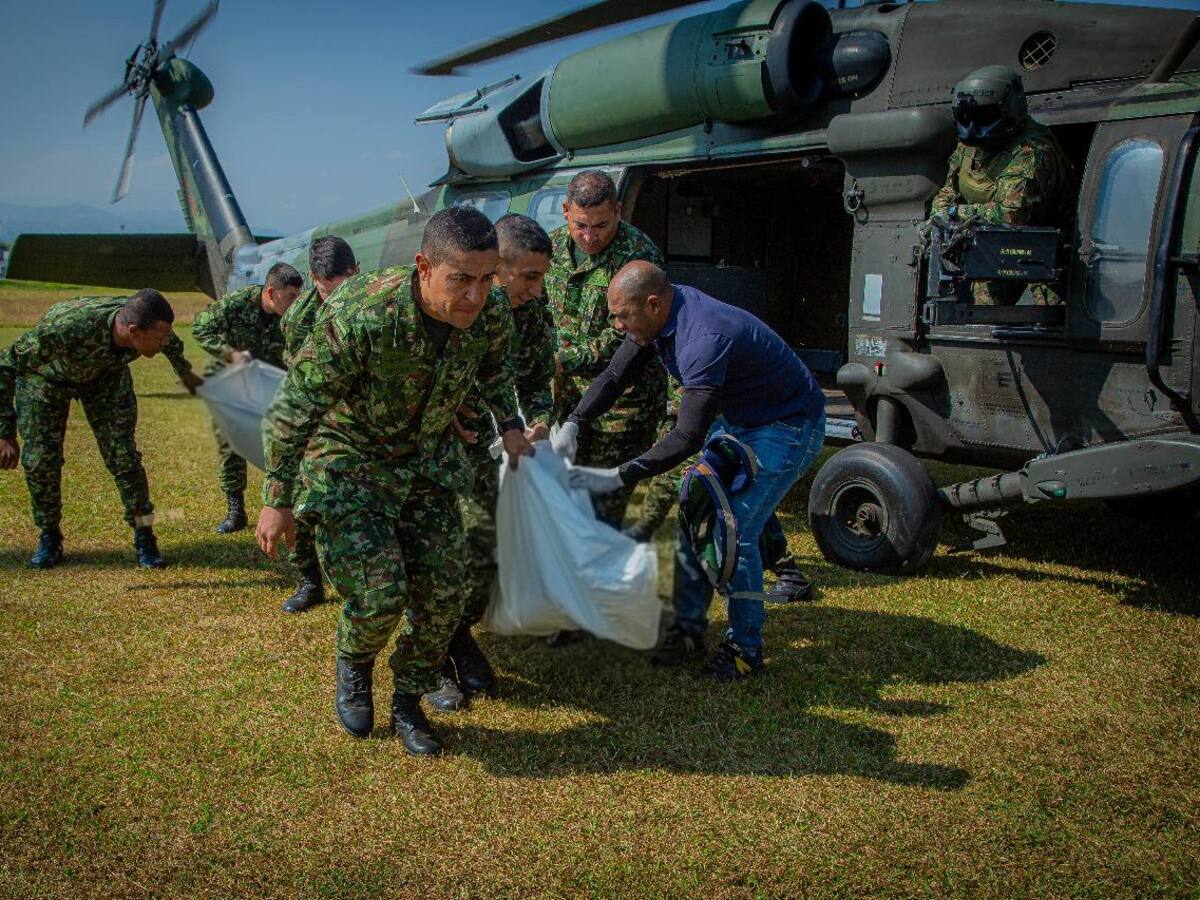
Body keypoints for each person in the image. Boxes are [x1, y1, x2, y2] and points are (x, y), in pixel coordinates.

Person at [255, 207, 537, 756]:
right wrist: (277, 499)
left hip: (428, 460)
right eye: (461, 280)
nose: (476, 296)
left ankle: (409, 699)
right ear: (424, 267)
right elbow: (293, 408)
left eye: (487, 279)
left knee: (445, 593)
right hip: (351, 458)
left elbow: (495, 370)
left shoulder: (491, 310)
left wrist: (508, 424)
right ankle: (355, 664)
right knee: (380, 594)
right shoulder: (362, 313)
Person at [556, 262, 826, 680]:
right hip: (743, 418)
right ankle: (688, 628)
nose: (618, 325)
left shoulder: (703, 338)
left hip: (787, 425)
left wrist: (617, 476)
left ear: (652, 304)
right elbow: (614, 375)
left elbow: (686, 437)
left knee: (734, 530)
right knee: (694, 512)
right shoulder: (660, 314)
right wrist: (575, 421)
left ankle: (744, 650)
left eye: (622, 315)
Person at [424, 214, 557, 712]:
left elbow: (536, 376)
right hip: (433, 450)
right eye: (529, 277)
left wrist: (538, 418)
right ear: (497, 266)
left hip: (488, 446)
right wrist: (447, 408)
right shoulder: (445, 302)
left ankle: (457, 634)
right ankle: (431, 658)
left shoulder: (529, 311)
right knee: (437, 553)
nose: (536, 290)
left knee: (486, 549)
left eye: (541, 279)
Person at [0, 289, 203, 569]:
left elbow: (172, 344)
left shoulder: (152, 323)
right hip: (46, 382)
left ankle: (144, 535)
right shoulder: (63, 330)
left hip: (106, 377)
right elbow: (6, 363)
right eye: (160, 339)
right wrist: (5, 432)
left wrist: (187, 375)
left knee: (124, 458)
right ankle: (49, 536)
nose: (165, 342)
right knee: (40, 461)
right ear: (133, 331)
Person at [545, 169, 667, 528]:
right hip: (565, 398)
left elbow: (629, 337)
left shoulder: (639, 257)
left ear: (617, 211)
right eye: (580, 225)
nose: (589, 236)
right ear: (566, 211)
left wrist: (560, 359)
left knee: (601, 508)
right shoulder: (549, 249)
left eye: (600, 225)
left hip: (619, 407)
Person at [625, 382, 815, 603]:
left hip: (713, 424)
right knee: (719, 498)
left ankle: (787, 571)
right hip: (693, 424)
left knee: (722, 497)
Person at [929, 65, 1073, 306]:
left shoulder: (1031, 152)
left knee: (1048, 317)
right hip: (993, 249)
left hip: (1042, 257)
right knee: (982, 312)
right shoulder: (969, 147)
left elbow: (1010, 215)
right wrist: (937, 219)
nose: (972, 127)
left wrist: (954, 214)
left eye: (984, 116)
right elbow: (949, 191)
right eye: (965, 116)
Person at [273, 236, 360, 615]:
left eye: (345, 286)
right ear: (313, 280)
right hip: (319, 415)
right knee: (302, 501)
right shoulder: (298, 319)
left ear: (357, 272)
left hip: (366, 417)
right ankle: (309, 580)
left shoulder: (373, 304)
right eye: (327, 291)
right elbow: (301, 385)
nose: (338, 299)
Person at [192, 262, 304, 535]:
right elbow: (200, 328)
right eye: (290, 296)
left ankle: (292, 503)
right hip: (237, 383)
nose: (295, 302)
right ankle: (235, 509)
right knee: (230, 442)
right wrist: (229, 353)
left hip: (274, 385)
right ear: (271, 292)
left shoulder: (294, 314)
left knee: (286, 440)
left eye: (297, 296)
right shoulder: (237, 304)